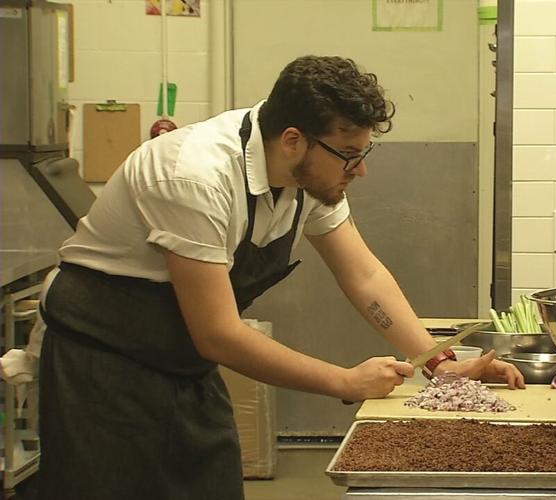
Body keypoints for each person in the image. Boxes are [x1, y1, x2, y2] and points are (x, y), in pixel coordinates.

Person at [37, 55, 525, 500]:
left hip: (179, 360)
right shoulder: (194, 176)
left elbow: (365, 274)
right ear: (294, 140)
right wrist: (346, 381)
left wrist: (438, 364)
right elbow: (219, 335)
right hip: (100, 364)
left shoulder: (311, 178)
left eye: (363, 154)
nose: (360, 172)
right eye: (349, 155)